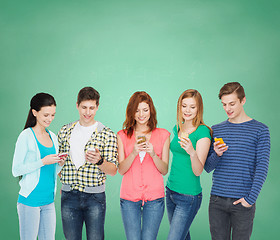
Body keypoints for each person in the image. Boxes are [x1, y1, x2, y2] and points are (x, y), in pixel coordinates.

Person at [204, 82, 270, 240]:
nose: (227, 108)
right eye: (224, 104)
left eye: (232, 103)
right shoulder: (216, 129)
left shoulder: (260, 130)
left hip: (243, 202)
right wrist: (217, 154)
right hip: (217, 201)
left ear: (243, 100)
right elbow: (207, 167)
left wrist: (250, 199)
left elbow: (262, 167)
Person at [58, 86, 118, 240]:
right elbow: (58, 164)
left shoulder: (107, 134)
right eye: (84, 107)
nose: (87, 112)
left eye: (92, 108)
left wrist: (99, 161)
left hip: (95, 198)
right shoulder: (64, 131)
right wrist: (63, 179)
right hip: (69, 195)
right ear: (77, 105)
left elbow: (112, 170)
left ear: (97, 107)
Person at [12, 93, 65, 240]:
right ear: (35, 112)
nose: (50, 119)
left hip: (48, 201)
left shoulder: (53, 137)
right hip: (30, 201)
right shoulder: (26, 136)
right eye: (46, 115)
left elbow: (51, 170)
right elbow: (16, 170)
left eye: (53, 115)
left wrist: (60, 163)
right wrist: (42, 161)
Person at [117, 91, 170, 240]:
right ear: (131, 112)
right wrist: (133, 153)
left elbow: (164, 170)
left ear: (151, 111)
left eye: (145, 110)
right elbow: (121, 169)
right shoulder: (122, 135)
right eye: (137, 110)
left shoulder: (163, 135)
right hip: (128, 198)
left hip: (154, 198)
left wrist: (153, 154)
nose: (141, 114)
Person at [166, 89, 211, 240]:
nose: (187, 110)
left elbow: (198, 171)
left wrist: (192, 152)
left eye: (192, 107)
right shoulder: (178, 127)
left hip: (188, 196)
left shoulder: (202, 132)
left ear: (199, 109)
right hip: (170, 191)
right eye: (184, 106)